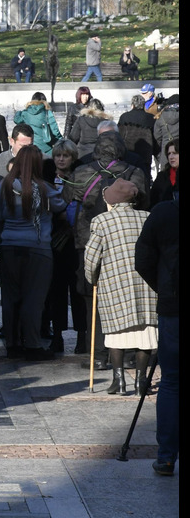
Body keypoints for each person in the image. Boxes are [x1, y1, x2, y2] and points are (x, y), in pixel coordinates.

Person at [66, 133, 149, 368]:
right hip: (125, 244)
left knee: (92, 300)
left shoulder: (81, 172)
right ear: (121, 149)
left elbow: (66, 198)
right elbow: (144, 202)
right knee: (128, 296)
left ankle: (99, 355)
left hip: (87, 241)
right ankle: (132, 353)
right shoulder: (134, 172)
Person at [0, 145, 67, 361]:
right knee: (34, 298)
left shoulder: (4, 186)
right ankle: (33, 344)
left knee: (10, 297)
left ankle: (13, 344)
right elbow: (60, 205)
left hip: (9, 247)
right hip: (38, 248)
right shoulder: (44, 188)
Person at [84, 179, 155, 395]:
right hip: (147, 286)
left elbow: (91, 258)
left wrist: (92, 278)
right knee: (145, 334)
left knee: (116, 334)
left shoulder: (101, 221)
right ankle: (141, 382)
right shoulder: (147, 217)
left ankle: (119, 381)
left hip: (115, 286)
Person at [134, 186, 179, 476]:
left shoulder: (163, 212)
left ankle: (165, 456)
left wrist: (162, 289)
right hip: (171, 303)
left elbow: (143, 260)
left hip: (173, 305)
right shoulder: (163, 212)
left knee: (172, 382)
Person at [43, 140, 87, 354]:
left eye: (65, 156)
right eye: (58, 155)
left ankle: (82, 335)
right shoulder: (46, 176)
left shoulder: (80, 177)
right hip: (53, 239)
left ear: (72, 157)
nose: (61, 159)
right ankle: (57, 335)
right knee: (56, 291)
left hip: (75, 240)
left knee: (78, 291)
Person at [118, 94, 158, 170]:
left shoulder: (124, 117)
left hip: (128, 152)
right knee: (145, 175)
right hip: (146, 153)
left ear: (132, 105)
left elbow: (120, 135)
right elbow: (155, 136)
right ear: (143, 105)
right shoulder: (151, 118)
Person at [150, 139, 179, 206]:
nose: (171, 157)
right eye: (169, 154)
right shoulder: (162, 176)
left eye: (175, 153)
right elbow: (153, 199)